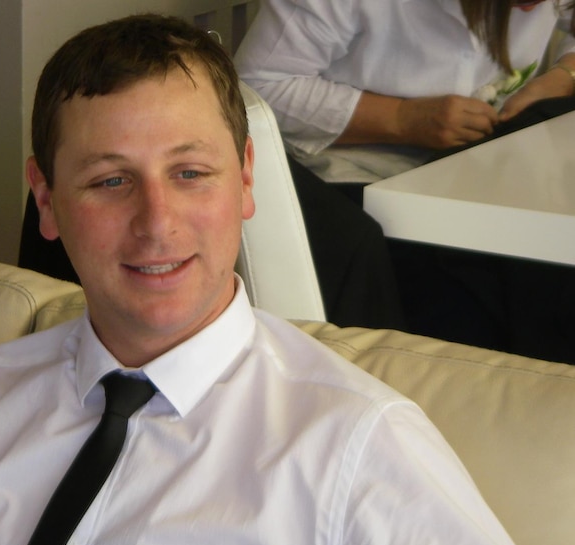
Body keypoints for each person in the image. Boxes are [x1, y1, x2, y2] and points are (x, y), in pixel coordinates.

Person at [0, 14, 533, 545]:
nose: (156, 223)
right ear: (46, 199)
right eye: (109, 180)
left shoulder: (358, 450)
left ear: (247, 179)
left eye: (191, 172)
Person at [235, 0, 575, 363]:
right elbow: (256, 88)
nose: (536, 12)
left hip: (478, 162)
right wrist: (401, 118)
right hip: (351, 172)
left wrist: (563, 75)